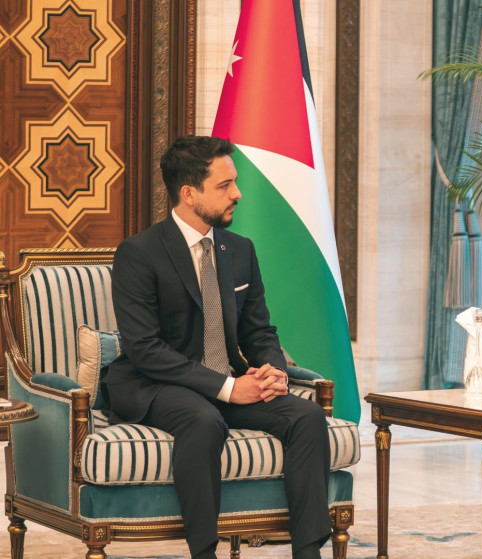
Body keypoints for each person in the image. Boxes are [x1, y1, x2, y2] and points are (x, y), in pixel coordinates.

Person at [103, 136, 332, 559]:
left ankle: (308, 552)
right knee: (203, 420)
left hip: (226, 380)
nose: (237, 193)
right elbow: (144, 348)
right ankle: (205, 552)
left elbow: (259, 331)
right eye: (225, 185)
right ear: (189, 193)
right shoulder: (138, 253)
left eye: (235, 183)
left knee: (307, 416)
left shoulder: (239, 250)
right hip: (155, 384)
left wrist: (273, 369)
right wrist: (228, 389)